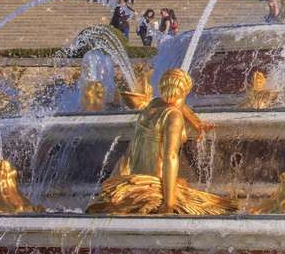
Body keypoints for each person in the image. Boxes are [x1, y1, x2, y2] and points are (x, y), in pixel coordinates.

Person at [86, 68, 237, 215]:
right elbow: (170, 157)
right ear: (186, 91)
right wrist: (168, 203)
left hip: (129, 172)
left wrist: (196, 123)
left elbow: (180, 104)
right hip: (154, 182)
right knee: (214, 207)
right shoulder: (173, 117)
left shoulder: (155, 104)